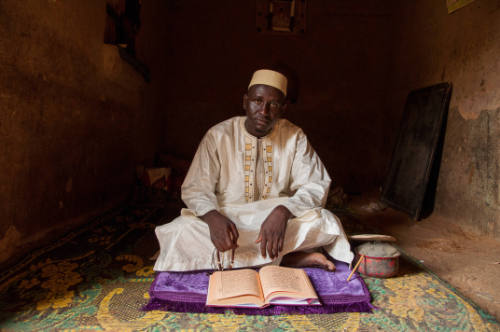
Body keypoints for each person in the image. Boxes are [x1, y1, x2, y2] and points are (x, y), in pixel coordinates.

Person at [153, 69, 353, 272]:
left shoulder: (294, 136)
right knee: (180, 231)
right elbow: (196, 188)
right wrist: (212, 217)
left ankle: (240, 259)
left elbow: (316, 184)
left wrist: (284, 211)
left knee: (325, 222)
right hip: (227, 218)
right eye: (257, 101)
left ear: (283, 108)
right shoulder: (219, 135)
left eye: (273, 104)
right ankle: (286, 258)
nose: (264, 111)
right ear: (245, 102)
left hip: (277, 221)